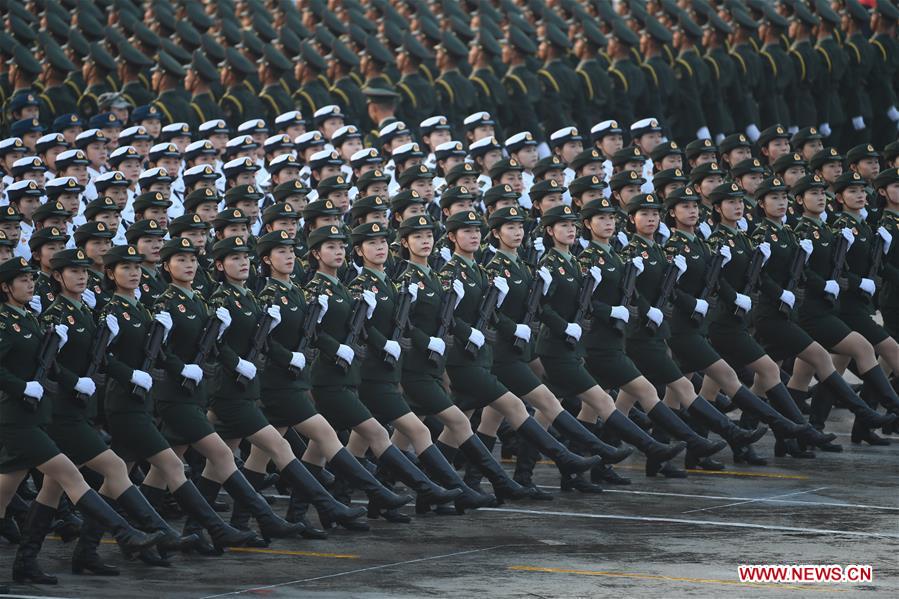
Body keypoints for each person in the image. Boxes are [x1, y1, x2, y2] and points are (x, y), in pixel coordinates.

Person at [0, 255, 164, 585]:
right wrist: (22, 388)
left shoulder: (31, 318)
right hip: (14, 416)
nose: (31, 284)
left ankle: (26, 561)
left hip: (36, 415)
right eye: (22, 280)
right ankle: (127, 532)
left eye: (32, 279)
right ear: (5, 287)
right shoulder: (4, 321)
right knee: (70, 474)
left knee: (8, 494)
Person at [98, 244, 257, 553]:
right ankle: (218, 527)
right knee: (180, 462)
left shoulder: (147, 306)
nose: (134, 272)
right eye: (125, 267)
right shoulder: (121, 309)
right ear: (109, 273)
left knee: (125, 473)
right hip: (132, 399)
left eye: (137, 267)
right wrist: (134, 374)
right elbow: (104, 357)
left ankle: (107, 547)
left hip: (154, 399)